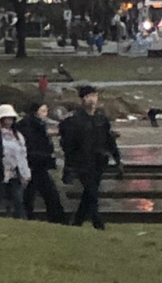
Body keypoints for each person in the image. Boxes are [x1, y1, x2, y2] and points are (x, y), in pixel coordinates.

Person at [59, 85, 121, 229]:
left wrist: (118, 159)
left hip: (99, 162)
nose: (92, 99)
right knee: (92, 193)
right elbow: (68, 145)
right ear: (82, 99)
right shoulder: (74, 120)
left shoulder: (101, 119)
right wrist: (69, 167)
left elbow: (109, 140)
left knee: (89, 194)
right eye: (88, 97)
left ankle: (77, 222)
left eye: (94, 96)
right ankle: (98, 223)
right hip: (82, 164)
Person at [20, 103, 66, 223]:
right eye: (43, 111)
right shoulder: (31, 126)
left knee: (35, 194)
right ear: (36, 112)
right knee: (47, 194)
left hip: (36, 164)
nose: (46, 114)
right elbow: (32, 147)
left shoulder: (34, 125)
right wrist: (47, 157)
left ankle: (28, 217)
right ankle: (57, 219)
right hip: (35, 164)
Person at [0, 105, 30, 219]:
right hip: (0, 170)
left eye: (11, 118)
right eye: (6, 118)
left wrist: (25, 173)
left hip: (16, 172)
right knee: (1, 198)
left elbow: (22, 154)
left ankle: (20, 219)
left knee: (18, 199)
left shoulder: (18, 135)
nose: (9, 121)